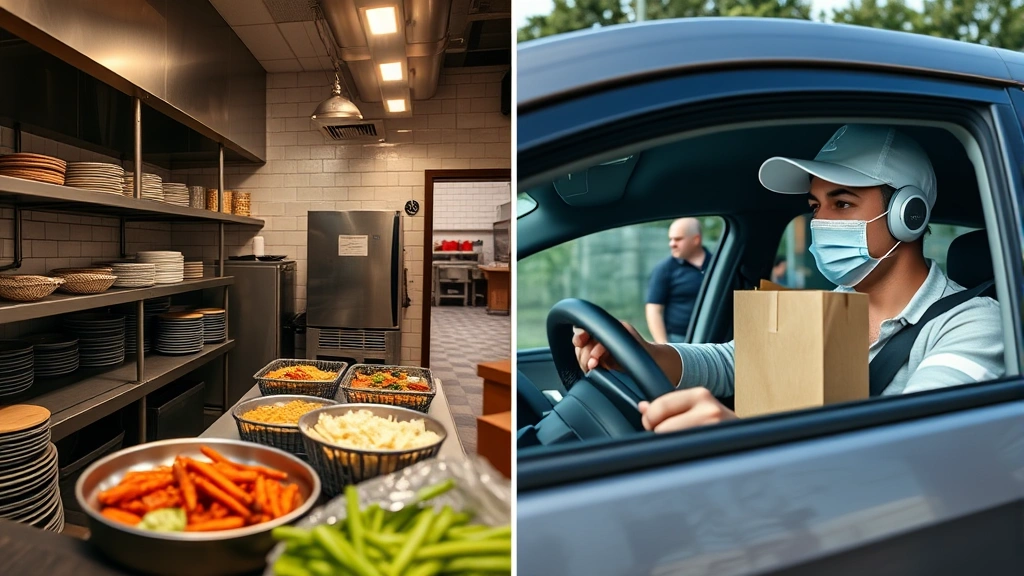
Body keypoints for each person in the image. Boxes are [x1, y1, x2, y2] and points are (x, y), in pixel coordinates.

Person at [574, 124, 1003, 433]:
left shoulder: (975, 324)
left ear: (908, 216)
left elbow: (916, 449)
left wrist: (740, 439)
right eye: (816, 206)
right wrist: (647, 352)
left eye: (843, 203)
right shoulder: (830, 307)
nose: (822, 222)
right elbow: (732, 362)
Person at [645, 218, 711, 344]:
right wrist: (664, 345)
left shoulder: (719, 264)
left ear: (696, 240)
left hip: (716, 337)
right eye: (670, 239)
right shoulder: (664, 269)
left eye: (678, 239)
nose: (672, 244)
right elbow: (653, 310)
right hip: (679, 340)